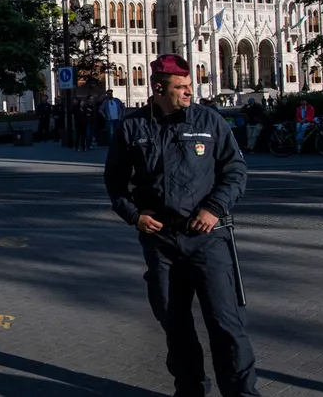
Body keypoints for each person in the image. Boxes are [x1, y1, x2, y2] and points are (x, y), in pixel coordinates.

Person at [104, 54, 260, 397]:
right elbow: (115, 184)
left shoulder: (209, 120)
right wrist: (134, 216)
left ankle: (241, 393)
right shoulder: (132, 127)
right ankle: (190, 390)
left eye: (191, 86)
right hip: (161, 242)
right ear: (158, 88)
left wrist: (214, 208)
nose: (189, 92)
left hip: (208, 238)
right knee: (175, 326)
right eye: (182, 87)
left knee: (226, 324)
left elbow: (235, 171)